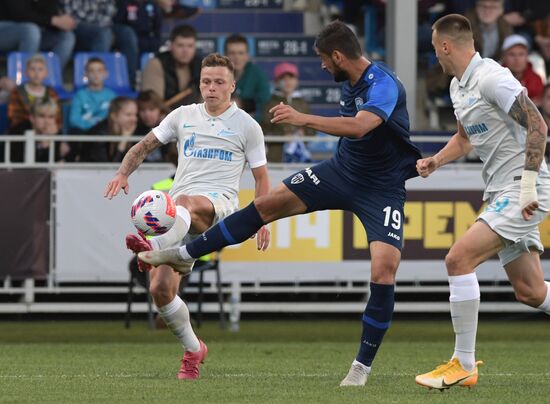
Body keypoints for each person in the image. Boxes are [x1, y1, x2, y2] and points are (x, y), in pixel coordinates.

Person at [136, 21, 422, 387]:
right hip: (340, 172)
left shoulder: (383, 83)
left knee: (384, 271)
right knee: (266, 206)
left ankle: (360, 369)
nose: (320, 67)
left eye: (322, 60)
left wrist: (302, 118)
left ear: (337, 56)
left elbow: (361, 126)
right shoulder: (349, 81)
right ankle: (185, 254)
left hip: (381, 189)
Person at [104, 53, 271, 379]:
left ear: (232, 86)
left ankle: (151, 248)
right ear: (199, 84)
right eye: (206, 81)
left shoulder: (247, 126)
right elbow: (145, 145)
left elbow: (262, 177)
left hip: (218, 208)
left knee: (183, 200)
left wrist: (261, 218)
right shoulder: (183, 116)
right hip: (179, 217)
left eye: (219, 82)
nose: (211, 88)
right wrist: (123, 173)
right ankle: (194, 350)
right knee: (160, 291)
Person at [414, 14, 550, 391]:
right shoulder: (460, 87)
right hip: (501, 192)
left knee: (458, 259)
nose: (434, 55)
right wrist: (436, 161)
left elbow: (538, 124)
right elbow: (464, 139)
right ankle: (464, 363)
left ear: (445, 46)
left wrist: (527, 188)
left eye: (434, 47)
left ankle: (464, 364)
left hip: (524, 189)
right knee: (531, 291)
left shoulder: (492, 77)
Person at [260, 62, 315, 162]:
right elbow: (264, 129)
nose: (287, 82)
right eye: (283, 78)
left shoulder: (303, 103)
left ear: (296, 81)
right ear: (276, 82)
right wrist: (283, 135)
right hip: (276, 156)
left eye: (291, 78)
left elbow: (312, 129)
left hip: (299, 156)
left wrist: (304, 132)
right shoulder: (270, 103)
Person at [141, 24, 202, 109]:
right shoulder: (157, 63)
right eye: (180, 45)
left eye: (190, 46)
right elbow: (153, 104)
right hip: (164, 116)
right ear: (171, 46)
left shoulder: (201, 65)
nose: (185, 51)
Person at [3, 0, 76, 69]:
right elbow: (19, 14)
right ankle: (25, 79)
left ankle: (47, 78)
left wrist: (63, 23)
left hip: (34, 32)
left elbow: (50, 13)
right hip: (5, 28)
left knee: (66, 37)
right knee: (31, 31)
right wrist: (54, 20)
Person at [8, 54, 61, 135]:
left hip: (48, 130)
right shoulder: (17, 92)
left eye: (40, 69)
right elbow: (14, 118)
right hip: (23, 132)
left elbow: (57, 117)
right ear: (26, 72)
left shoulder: (51, 93)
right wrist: (36, 124)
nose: (36, 73)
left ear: (46, 73)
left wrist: (46, 126)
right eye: (32, 69)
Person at [224, 33, 271, 122]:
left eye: (241, 53)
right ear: (225, 56)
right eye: (232, 53)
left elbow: (266, 105)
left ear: (247, 56)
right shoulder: (216, 73)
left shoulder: (257, 75)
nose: (236, 57)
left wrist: (242, 104)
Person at [83, 96, 138, 162]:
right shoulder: (99, 134)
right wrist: (124, 140)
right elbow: (109, 169)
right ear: (114, 116)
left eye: (135, 115)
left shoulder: (135, 130)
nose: (134, 119)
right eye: (128, 115)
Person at [69, 57, 117, 132]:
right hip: (85, 133)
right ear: (86, 74)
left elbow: (115, 119)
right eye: (91, 71)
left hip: (104, 135)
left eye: (99, 70)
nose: (96, 74)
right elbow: (74, 120)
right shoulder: (79, 95)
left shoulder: (112, 96)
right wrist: (92, 127)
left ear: (106, 73)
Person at [501, 34, 544, 107]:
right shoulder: (497, 77)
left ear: (527, 56)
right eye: (512, 54)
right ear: (503, 57)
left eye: (521, 54)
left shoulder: (536, 79)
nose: (517, 59)